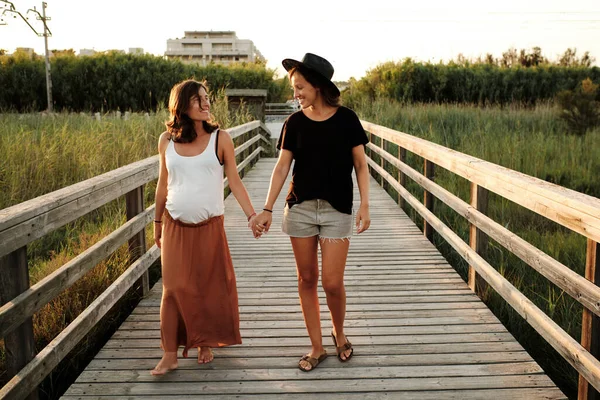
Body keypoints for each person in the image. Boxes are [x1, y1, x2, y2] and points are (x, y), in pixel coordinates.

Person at [253, 53, 371, 372]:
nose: (296, 94)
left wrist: (365, 204)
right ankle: (317, 346)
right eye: (294, 88)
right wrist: (266, 208)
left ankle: (339, 332)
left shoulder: (347, 119)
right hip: (300, 209)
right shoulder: (294, 123)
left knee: (332, 282)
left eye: (300, 87)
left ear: (318, 86)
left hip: (337, 211)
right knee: (307, 278)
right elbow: (281, 168)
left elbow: (361, 164)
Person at [151, 79, 258, 375]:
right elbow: (163, 184)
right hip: (174, 225)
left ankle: (205, 341)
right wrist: (157, 221)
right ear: (182, 105)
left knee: (207, 286)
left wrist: (251, 215)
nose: (206, 102)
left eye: (207, 97)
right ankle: (170, 353)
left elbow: (234, 181)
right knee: (173, 288)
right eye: (199, 99)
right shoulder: (166, 141)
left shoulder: (220, 138)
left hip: (210, 225)